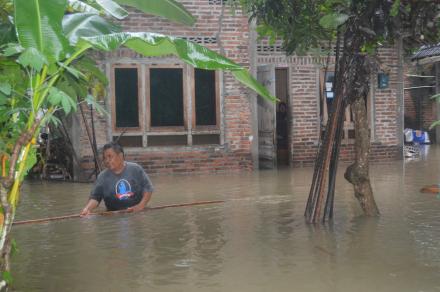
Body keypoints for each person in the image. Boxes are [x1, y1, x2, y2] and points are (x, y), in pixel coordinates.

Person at [80, 142, 154, 216]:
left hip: (136, 214)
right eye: (105, 158)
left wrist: (141, 206)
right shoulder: (102, 177)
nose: (107, 161)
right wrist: (87, 209)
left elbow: (148, 189)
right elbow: (95, 198)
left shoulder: (136, 169)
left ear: (120, 156)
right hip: (113, 215)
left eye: (110, 156)